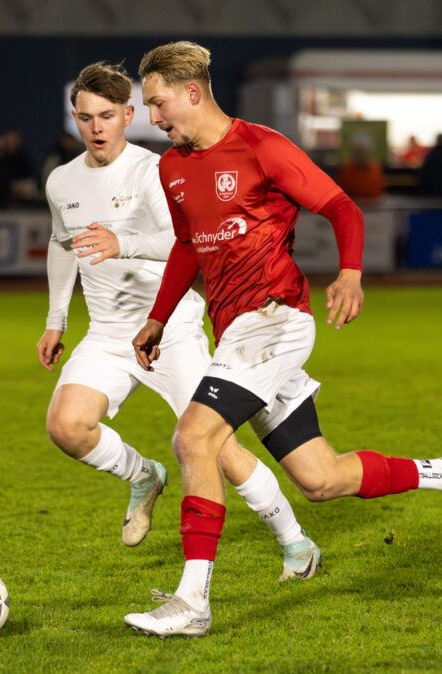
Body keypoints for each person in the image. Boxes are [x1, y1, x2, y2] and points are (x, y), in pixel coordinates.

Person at [125, 41, 442, 638]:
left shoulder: (261, 146)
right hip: (237, 335)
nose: (154, 117)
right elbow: (189, 246)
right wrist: (158, 317)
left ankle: (193, 602)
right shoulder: (173, 167)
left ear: (192, 92)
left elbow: (341, 207)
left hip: (275, 320)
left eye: (158, 102)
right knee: (320, 478)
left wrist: (349, 270)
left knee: (194, 438)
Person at [38, 61, 321, 582]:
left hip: (170, 331)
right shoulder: (62, 181)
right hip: (105, 332)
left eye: (106, 116)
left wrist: (121, 243)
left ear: (128, 115)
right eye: (84, 118)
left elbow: (184, 244)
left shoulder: (155, 170)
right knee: (66, 425)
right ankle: (144, 475)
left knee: (221, 450)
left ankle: (294, 539)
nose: (95, 128)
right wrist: (56, 318)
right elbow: (62, 245)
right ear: (73, 119)